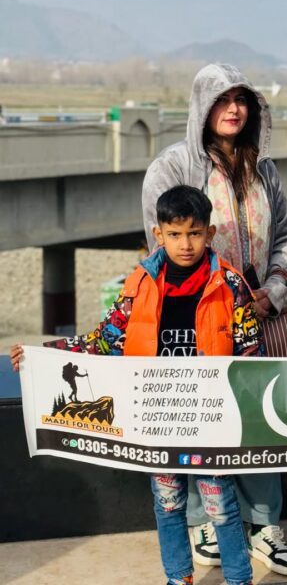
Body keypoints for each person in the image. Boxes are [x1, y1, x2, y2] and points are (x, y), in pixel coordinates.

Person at [12, 185, 261, 585]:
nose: (185, 244)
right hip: (157, 420)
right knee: (168, 505)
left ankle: (238, 580)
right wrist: (43, 352)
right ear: (158, 234)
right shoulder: (140, 284)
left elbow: (252, 351)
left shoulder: (229, 284)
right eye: (175, 234)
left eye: (195, 233)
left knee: (221, 507)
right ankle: (178, 578)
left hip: (211, 422)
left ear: (210, 233)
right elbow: (104, 341)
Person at [141, 64, 287, 576]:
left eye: (242, 99)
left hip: (259, 314)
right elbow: (160, 249)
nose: (234, 109)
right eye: (222, 99)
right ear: (201, 105)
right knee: (198, 421)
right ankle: (203, 523)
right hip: (197, 320)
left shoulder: (263, 169)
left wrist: (272, 291)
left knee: (256, 417)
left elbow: (286, 234)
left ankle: (264, 525)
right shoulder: (172, 166)